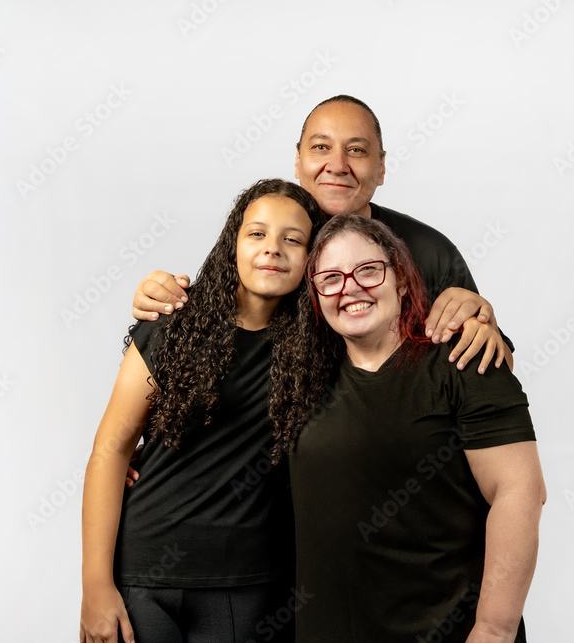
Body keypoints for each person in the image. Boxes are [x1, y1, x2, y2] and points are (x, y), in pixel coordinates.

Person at [80, 179, 331, 643]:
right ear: (232, 245)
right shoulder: (173, 325)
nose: (273, 248)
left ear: (312, 258)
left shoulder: (325, 344)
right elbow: (110, 450)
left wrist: (468, 306)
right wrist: (95, 587)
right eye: (257, 233)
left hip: (250, 581)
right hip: (145, 572)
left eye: (293, 239)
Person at [289, 214, 546, 642]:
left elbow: (520, 491)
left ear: (403, 281)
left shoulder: (463, 360)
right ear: (316, 295)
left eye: (368, 270)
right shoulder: (302, 378)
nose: (350, 287)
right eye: (330, 278)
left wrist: (494, 629)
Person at [130, 95, 515, 375]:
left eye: (357, 150)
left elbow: (498, 370)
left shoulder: (429, 251)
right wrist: (162, 295)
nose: (338, 165)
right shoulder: (268, 243)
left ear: (381, 168)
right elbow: (205, 324)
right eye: (320, 147)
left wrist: (481, 324)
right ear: (298, 161)